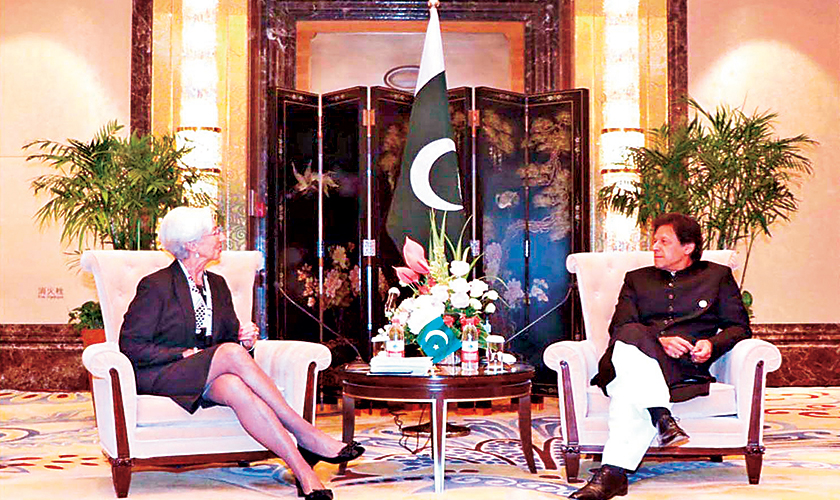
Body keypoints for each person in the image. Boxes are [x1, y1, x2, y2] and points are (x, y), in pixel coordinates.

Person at [119, 206, 363, 500]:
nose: (222, 237)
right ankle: (304, 432)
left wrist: (245, 341)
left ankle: (303, 471)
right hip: (162, 373)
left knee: (235, 386)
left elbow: (224, 342)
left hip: (206, 373)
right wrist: (183, 354)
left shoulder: (217, 285)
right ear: (192, 244)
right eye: (215, 232)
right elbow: (131, 345)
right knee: (231, 354)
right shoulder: (156, 286)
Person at [569, 213, 751, 500]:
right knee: (631, 335)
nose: (655, 247)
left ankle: (614, 473)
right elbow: (619, 327)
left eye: (664, 242)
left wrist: (711, 344)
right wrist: (660, 341)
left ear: (688, 247)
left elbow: (739, 328)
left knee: (628, 387)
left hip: (682, 366)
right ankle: (660, 415)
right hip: (630, 355)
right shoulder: (637, 279)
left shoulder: (717, 276)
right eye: (654, 241)